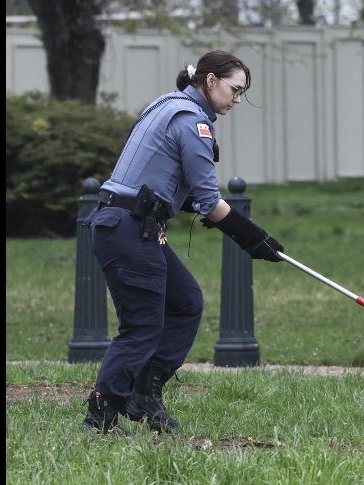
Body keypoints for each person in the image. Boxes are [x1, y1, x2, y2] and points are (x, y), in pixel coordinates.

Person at [82, 50, 285, 434]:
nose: (237, 99)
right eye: (234, 89)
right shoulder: (193, 122)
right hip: (128, 227)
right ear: (210, 81)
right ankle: (101, 414)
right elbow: (209, 201)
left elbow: (161, 172)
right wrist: (255, 240)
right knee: (141, 327)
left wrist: (182, 200)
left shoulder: (165, 104)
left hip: (126, 224)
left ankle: (145, 390)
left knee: (185, 302)